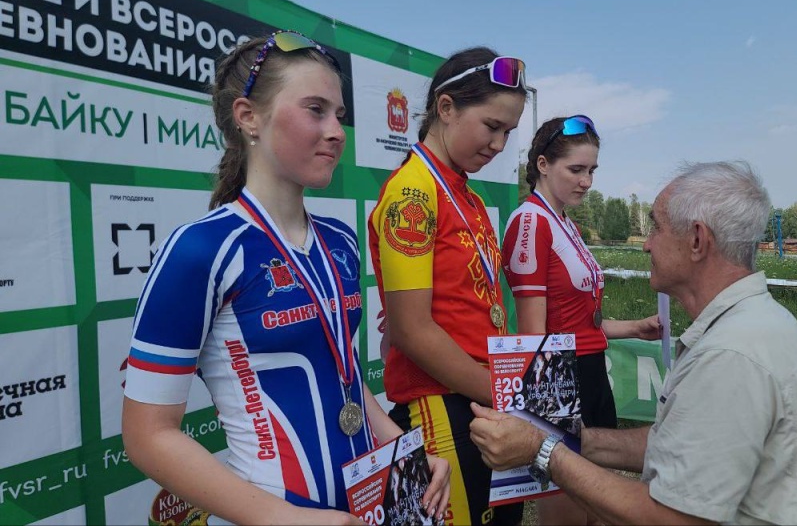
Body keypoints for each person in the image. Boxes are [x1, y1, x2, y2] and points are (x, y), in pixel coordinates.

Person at [122, 30, 449, 525]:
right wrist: (290, 519)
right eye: (315, 109)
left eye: (339, 115)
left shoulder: (340, 240)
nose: (337, 131)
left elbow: (341, 373)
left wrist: (403, 447)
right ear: (248, 117)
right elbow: (148, 436)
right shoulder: (201, 249)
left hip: (371, 505)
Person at [470, 161, 797, 525]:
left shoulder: (730, 356)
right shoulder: (753, 325)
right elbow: (680, 443)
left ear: (697, 241)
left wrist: (542, 450)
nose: (646, 244)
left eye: (656, 227)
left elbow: (669, 518)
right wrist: (572, 439)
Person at [368, 47, 527, 525]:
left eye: (509, 132)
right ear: (446, 108)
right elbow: (414, 332)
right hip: (441, 404)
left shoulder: (470, 197)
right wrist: (502, 394)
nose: (499, 144)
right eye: (492, 126)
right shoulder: (413, 191)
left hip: (480, 400)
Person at [501, 115, 661, 524]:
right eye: (576, 169)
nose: (587, 181)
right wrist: (542, 416)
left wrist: (634, 328)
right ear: (541, 164)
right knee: (569, 512)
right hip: (559, 380)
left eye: (591, 170)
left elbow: (584, 323)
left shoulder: (566, 224)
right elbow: (534, 335)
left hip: (590, 373)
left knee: (598, 505)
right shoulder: (530, 221)